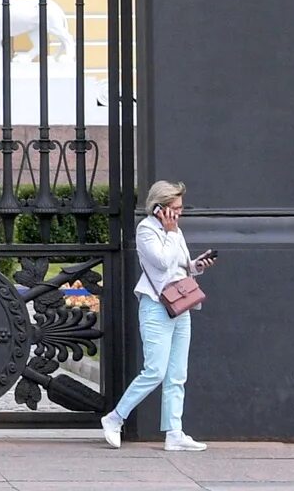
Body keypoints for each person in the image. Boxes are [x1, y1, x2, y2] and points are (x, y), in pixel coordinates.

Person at [101, 179, 214, 452]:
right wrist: (171, 232)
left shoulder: (175, 230)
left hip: (180, 305)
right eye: (175, 207)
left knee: (177, 374)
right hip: (156, 306)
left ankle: (174, 433)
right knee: (155, 370)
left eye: (181, 207)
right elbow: (162, 264)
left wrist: (198, 265)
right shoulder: (147, 231)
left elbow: (181, 266)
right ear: (159, 208)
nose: (180, 212)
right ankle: (114, 418)